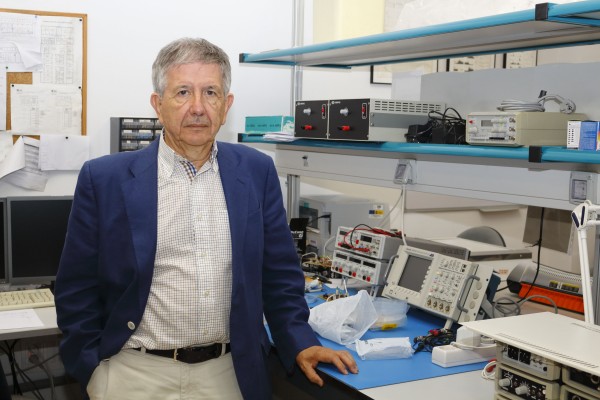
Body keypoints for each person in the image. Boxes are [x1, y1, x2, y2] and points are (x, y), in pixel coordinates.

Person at [54, 37, 358, 400]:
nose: (197, 107)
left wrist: (299, 341)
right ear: (158, 104)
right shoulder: (104, 179)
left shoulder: (256, 171)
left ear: (226, 105)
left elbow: (278, 273)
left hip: (228, 373)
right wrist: (91, 368)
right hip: (132, 373)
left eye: (210, 93)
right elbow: (76, 286)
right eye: (182, 92)